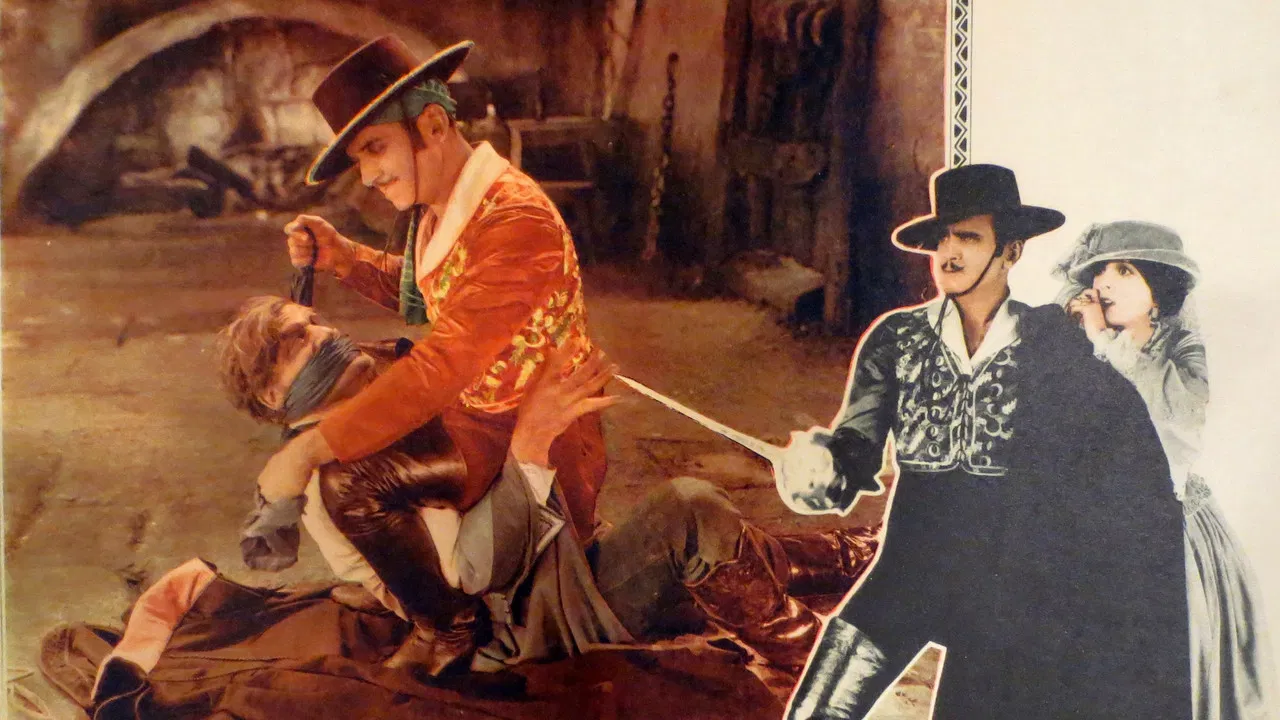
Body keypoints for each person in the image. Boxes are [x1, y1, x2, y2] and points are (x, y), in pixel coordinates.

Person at [217, 296, 881, 683]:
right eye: (299, 339)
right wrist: (530, 444)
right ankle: (808, 672)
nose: (327, 333)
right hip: (522, 622)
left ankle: (865, 552)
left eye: (316, 320)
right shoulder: (337, 479)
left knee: (712, 558)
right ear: (274, 394)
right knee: (690, 510)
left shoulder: (367, 418)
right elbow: (473, 579)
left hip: (548, 566)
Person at [774, 164, 1191, 719]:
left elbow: (1111, 452)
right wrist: (820, 468)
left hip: (1006, 583)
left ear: (1010, 251)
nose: (948, 253)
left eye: (968, 238)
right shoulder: (896, 338)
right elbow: (854, 451)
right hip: (908, 567)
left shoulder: (1053, 342)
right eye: (941, 239)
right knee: (815, 711)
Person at [258, 36, 605, 558]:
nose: (368, 176)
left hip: (532, 438)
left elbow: (444, 362)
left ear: (434, 127)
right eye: (359, 158)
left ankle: (444, 612)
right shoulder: (444, 206)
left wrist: (307, 450)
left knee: (349, 482)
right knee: (351, 427)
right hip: (478, 418)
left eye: (375, 148)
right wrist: (346, 259)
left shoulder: (515, 218)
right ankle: (413, 582)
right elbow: (437, 292)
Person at [1060, 220, 1277, 720]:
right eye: (1100, 272)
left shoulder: (1183, 351)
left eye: (1124, 271)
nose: (1104, 283)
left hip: (1170, 531)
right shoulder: (1084, 346)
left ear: (1158, 288)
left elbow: (1175, 425)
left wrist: (1104, 341)